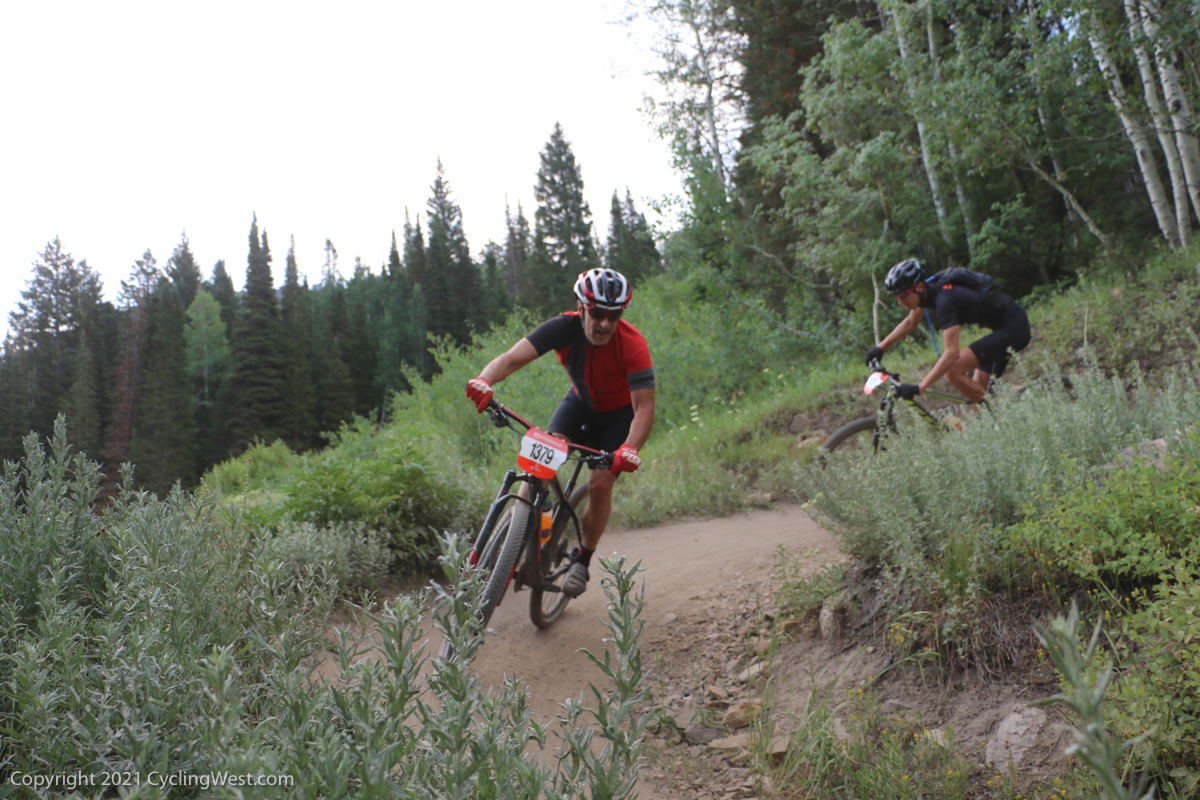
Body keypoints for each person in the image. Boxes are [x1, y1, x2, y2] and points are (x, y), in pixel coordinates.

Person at [464, 268, 656, 597]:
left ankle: (582, 559)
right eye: (597, 313)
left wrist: (631, 447)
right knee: (536, 467)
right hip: (579, 405)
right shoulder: (563, 328)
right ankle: (518, 542)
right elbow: (510, 360)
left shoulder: (632, 345)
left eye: (614, 315)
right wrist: (484, 381)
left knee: (599, 485)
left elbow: (644, 408)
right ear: (580, 307)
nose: (605, 323)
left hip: (617, 418)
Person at [865, 258, 1031, 403]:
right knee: (976, 398)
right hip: (1002, 329)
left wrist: (920, 387)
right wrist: (880, 348)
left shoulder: (944, 299)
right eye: (896, 297)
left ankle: (1003, 418)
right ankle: (998, 417)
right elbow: (910, 322)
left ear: (920, 286)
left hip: (1014, 328)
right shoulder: (929, 292)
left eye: (903, 295)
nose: (900, 301)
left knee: (953, 371)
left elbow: (952, 353)